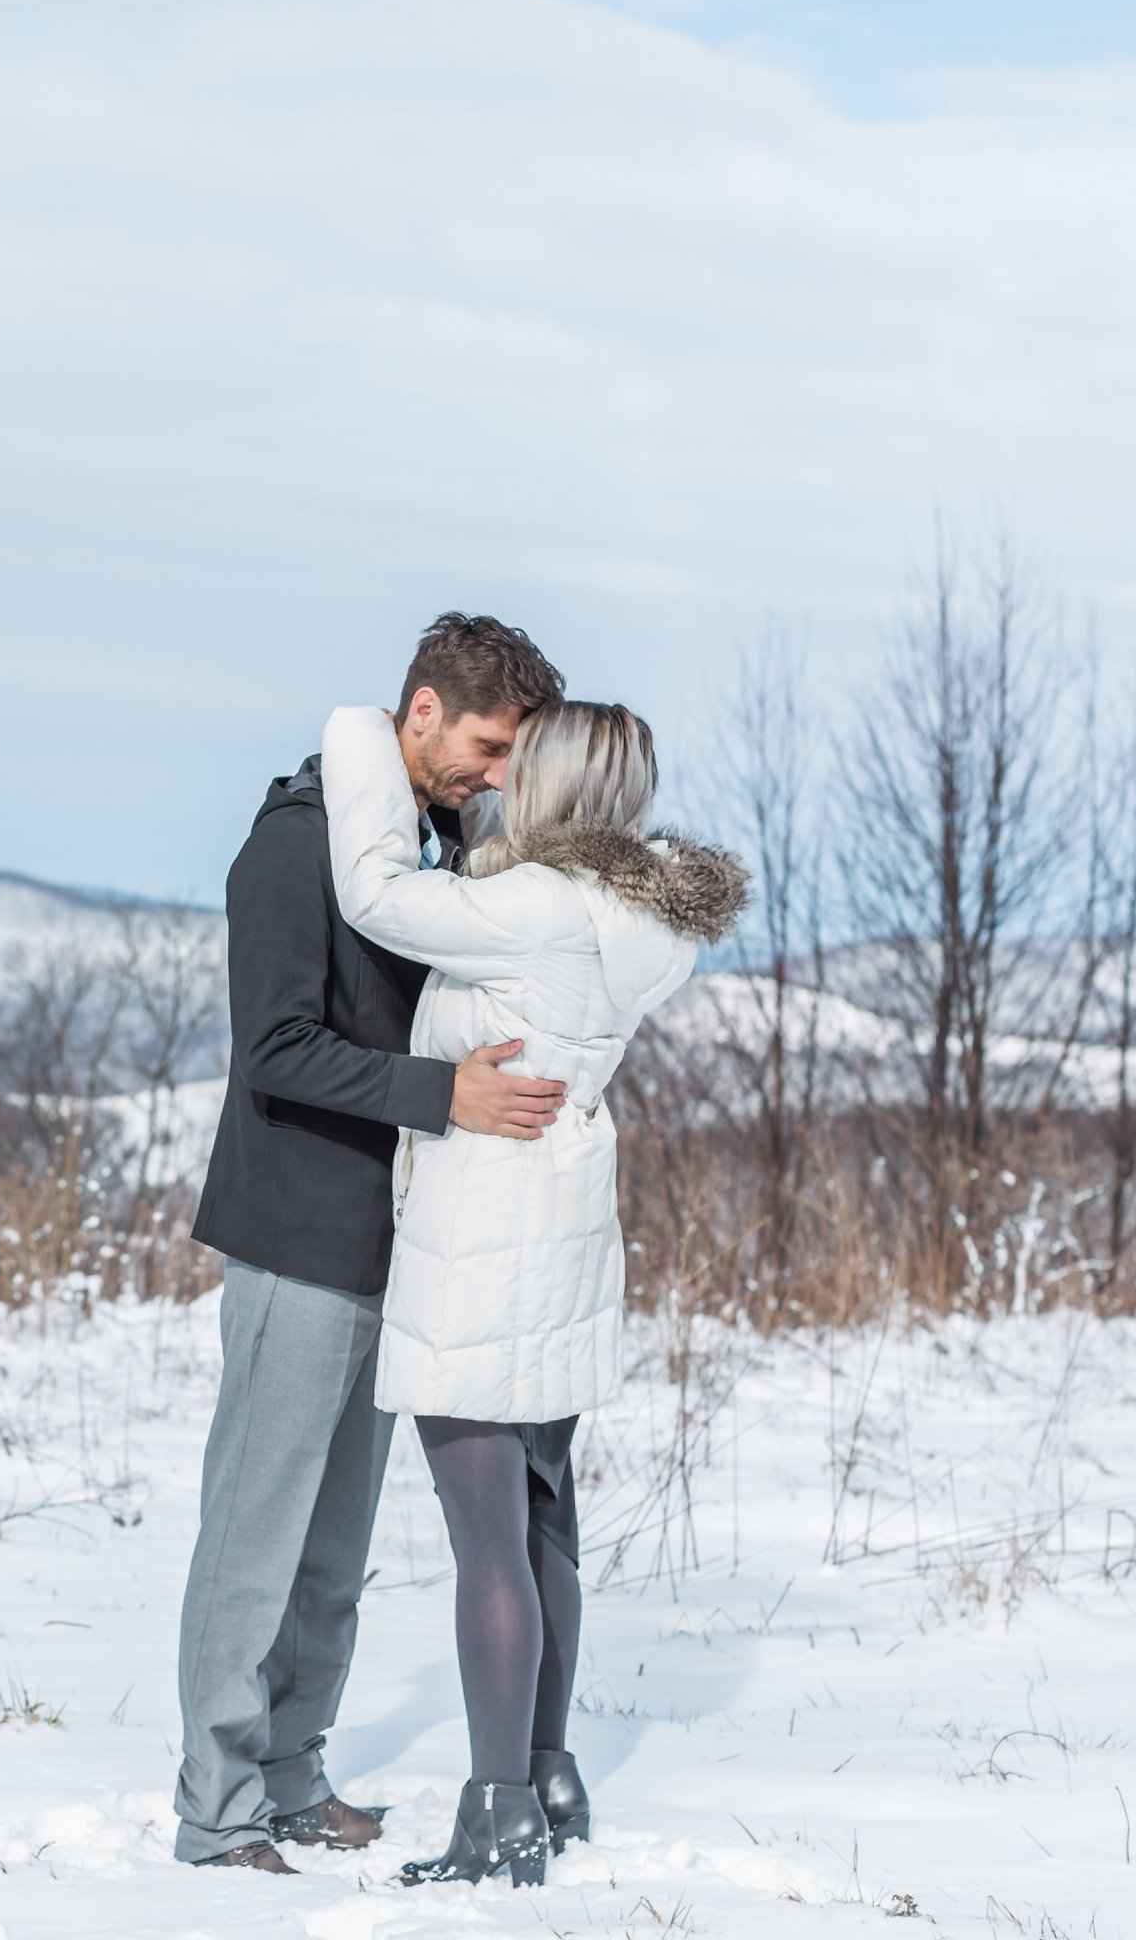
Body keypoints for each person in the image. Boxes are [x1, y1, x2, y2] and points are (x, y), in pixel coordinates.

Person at [316, 695, 745, 1888]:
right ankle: (550, 1772)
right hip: (561, 1230)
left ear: (555, 783)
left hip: (483, 1233)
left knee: (485, 1534)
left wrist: (359, 733)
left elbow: (376, 896)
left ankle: (494, 1806)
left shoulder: (535, 907)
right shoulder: (637, 916)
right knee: (544, 1511)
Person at [173, 614, 569, 1873]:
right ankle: (218, 1810)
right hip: (295, 1240)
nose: (495, 772)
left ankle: (295, 1776)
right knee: (255, 1542)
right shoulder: (296, 848)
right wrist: (444, 1092)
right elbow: (276, 1050)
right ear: (419, 713)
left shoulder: (426, 853)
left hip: (392, 1246)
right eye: (487, 743)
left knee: (334, 1551)